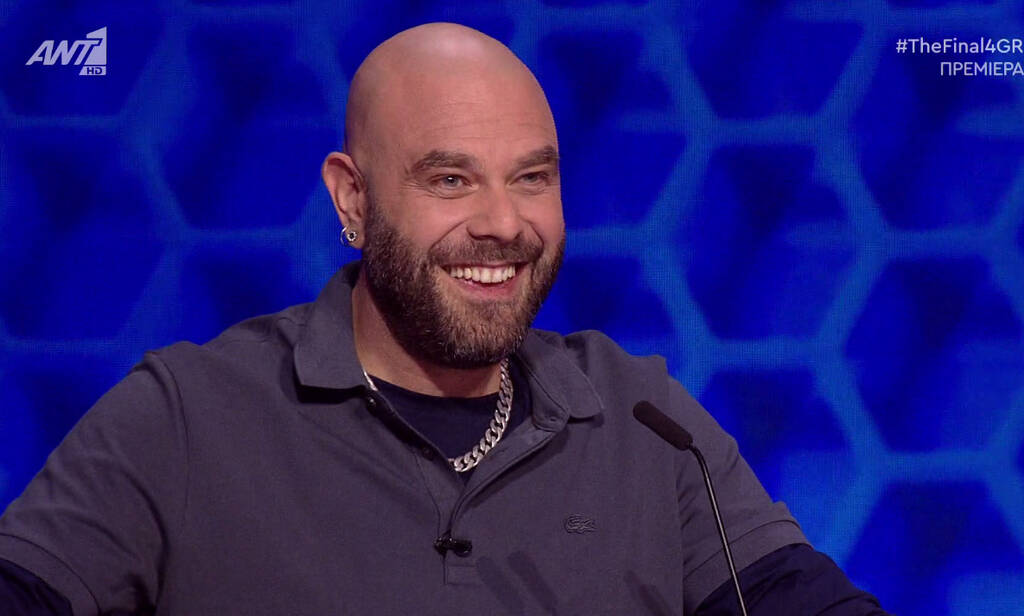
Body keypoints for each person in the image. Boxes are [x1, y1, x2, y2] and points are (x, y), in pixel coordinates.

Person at [0, 22, 889, 615]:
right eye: (451, 179)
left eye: (532, 177)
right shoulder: (184, 417)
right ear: (352, 200)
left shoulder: (643, 419)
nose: (503, 222)